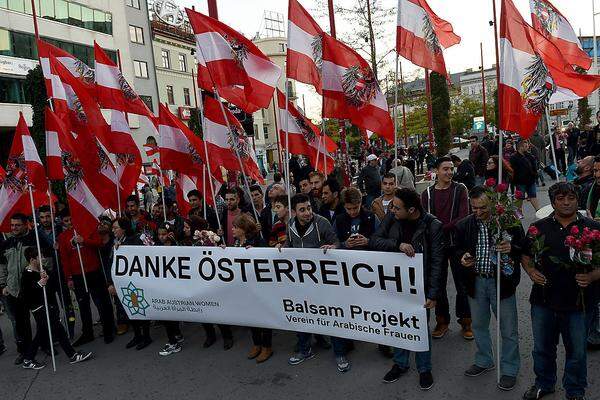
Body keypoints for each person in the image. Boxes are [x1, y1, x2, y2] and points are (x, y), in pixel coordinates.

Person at [521, 182, 600, 400]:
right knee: (542, 349)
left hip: (580, 302)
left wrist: (592, 276)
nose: (566, 203)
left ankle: (575, 390)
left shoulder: (593, 229)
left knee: (577, 352)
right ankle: (544, 383)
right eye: (561, 198)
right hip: (543, 301)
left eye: (571, 198)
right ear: (553, 201)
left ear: (578, 200)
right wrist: (530, 272)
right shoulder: (538, 228)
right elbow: (526, 256)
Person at [370, 188, 443, 390]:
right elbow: (375, 240)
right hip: (395, 284)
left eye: (397, 207)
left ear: (411, 210)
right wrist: (397, 245)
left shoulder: (432, 225)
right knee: (398, 324)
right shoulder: (392, 218)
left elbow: (437, 261)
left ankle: (424, 368)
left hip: (420, 285)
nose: (392, 209)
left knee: (420, 327)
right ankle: (400, 364)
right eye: (392, 205)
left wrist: (433, 293)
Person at [454, 186, 523, 391]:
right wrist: (463, 257)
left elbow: (524, 247)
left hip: (502, 282)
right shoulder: (464, 225)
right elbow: (458, 249)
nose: (478, 212)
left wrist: (512, 248)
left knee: (508, 329)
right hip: (476, 282)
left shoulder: (508, 223)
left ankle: (509, 369)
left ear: (492, 203)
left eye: (482, 207)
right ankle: (484, 359)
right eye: (474, 208)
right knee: (479, 325)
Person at [282, 194, 346, 372]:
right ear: (294, 212)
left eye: (309, 208)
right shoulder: (290, 225)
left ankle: (339, 353)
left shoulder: (322, 223)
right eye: (302, 209)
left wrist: (333, 247)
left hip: (324, 282)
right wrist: (281, 248)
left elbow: (337, 242)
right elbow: (289, 244)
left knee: (332, 316)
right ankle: (305, 349)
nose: (307, 212)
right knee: (302, 314)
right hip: (301, 283)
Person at [421, 156, 472, 340]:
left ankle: (466, 321)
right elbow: (423, 218)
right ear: (436, 170)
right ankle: (442, 321)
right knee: (438, 284)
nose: (450, 172)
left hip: (457, 243)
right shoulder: (426, 194)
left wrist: (440, 228)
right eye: (445, 169)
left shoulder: (460, 189)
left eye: (451, 169)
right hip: (436, 246)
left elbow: (464, 216)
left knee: (462, 283)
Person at [21, 247, 92, 370]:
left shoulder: (42, 270)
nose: (43, 259)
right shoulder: (27, 274)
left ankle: (28, 359)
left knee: (42, 333)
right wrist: (39, 284)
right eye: (40, 257)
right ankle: (72, 355)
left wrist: (47, 278)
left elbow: (52, 286)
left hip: (48, 306)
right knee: (59, 330)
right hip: (39, 308)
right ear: (32, 260)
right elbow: (27, 294)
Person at [57, 211, 115, 346]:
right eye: (66, 221)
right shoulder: (62, 237)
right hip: (77, 276)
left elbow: (99, 243)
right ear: (62, 222)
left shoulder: (88, 229)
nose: (69, 222)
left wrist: (85, 241)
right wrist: (69, 278)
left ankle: (109, 330)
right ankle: (87, 333)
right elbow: (64, 259)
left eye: (71, 219)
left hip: (94, 272)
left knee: (102, 303)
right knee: (83, 305)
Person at [227, 214, 273, 363]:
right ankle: (256, 343)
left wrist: (256, 252)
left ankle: (267, 346)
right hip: (245, 286)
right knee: (252, 316)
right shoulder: (236, 242)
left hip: (259, 286)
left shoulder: (257, 241)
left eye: (235, 227)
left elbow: (267, 258)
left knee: (263, 316)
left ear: (244, 229)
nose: (232, 229)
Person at [0, 213, 41, 364]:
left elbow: (44, 262)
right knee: (21, 324)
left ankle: (46, 345)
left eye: (17, 225)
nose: (14, 228)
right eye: (12, 225)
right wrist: (3, 285)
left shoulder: (34, 239)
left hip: (33, 288)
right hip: (14, 290)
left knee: (41, 319)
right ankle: (25, 352)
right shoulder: (7, 243)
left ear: (25, 225)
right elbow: (2, 266)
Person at [112, 217, 153, 350]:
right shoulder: (116, 242)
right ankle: (137, 335)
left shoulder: (135, 239)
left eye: (116, 228)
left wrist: (123, 248)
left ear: (124, 228)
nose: (113, 230)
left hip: (137, 280)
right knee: (130, 308)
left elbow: (143, 255)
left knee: (141, 308)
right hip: (125, 282)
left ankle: (146, 336)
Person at [156, 223, 185, 357]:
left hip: (175, 285)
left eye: (164, 234)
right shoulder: (155, 247)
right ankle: (176, 336)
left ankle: (173, 343)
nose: (161, 237)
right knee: (167, 314)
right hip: (163, 285)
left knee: (168, 314)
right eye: (159, 234)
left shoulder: (176, 246)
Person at [510, 140, 540, 211]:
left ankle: (538, 211)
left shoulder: (530, 156)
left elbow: (534, 167)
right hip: (520, 181)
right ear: (520, 147)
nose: (528, 148)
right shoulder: (514, 157)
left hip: (530, 180)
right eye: (526, 146)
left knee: (533, 196)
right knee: (520, 198)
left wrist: (535, 175)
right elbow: (512, 170)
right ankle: (518, 214)